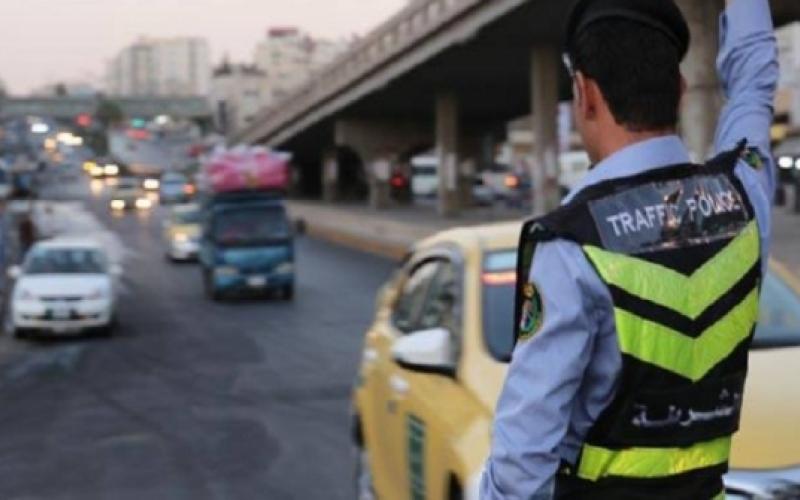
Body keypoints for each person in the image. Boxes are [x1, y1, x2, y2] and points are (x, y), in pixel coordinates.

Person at [481, 0, 778, 498]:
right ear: (680, 90)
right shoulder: (744, 197)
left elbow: (520, 469)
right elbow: (754, 83)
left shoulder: (571, 245)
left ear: (584, 94)